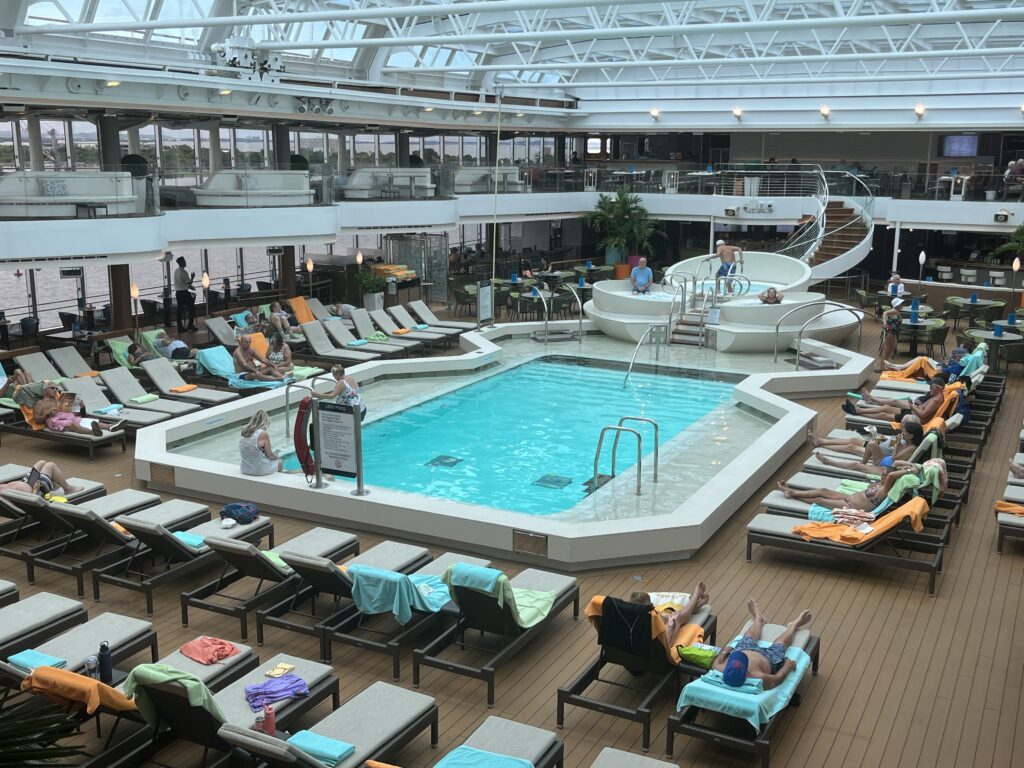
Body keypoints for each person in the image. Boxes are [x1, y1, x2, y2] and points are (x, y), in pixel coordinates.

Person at [712, 600, 812, 690]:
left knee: (749, 635)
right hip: (770, 659)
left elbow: (716, 662)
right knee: (780, 643)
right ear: (747, 674)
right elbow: (777, 678)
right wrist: (788, 666)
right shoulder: (758, 676)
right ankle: (793, 626)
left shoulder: (722, 669)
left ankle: (759, 619)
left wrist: (725, 651)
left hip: (743, 649)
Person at [812, 419, 925, 475]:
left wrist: (897, 444)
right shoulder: (908, 442)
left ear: (911, 435)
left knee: (854, 452)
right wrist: (891, 441)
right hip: (885, 455)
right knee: (857, 445)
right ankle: (821, 442)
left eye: (904, 431)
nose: (902, 432)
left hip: (886, 462)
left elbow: (895, 458)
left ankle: (828, 460)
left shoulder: (909, 446)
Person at [32, 383, 124, 435]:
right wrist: (48, 415)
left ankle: (110, 426)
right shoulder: (40, 403)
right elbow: (36, 419)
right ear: (44, 391)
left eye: (56, 388)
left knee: (85, 421)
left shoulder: (60, 400)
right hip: (54, 421)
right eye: (52, 388)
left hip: (70, 417)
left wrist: (81, 407)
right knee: (71, 423)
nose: (55, 390)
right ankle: (93, 432)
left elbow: (77, 414)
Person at [628, 582, 709, 641]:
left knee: (673, 614)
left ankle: (693, 607)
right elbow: (665, 642)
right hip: (663, 639)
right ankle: (695, 598)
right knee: (678, 617)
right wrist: (671, 626)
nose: (652, 605)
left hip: (662, 621)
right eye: (650, 605)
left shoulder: (631, 618)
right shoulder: (644, 623)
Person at [845, 377, 947, 423]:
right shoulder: (936, 396)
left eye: (932, 387)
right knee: (887, 407)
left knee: (883, 415)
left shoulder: (935, 401)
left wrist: (912, 406)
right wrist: (913, 406)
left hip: (913, 418)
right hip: (912, 412)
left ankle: (858, 413)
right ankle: (859, 410)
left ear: (938, 388)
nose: (929, 389)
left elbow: (923, 415)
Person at [0, 459, 82, 496]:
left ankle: (52, 482)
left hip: (26, 481)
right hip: (37, 489)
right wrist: (35, 490)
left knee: (41, 462)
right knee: (50, 465)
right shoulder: (4, 496)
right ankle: (68, 489)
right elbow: (32, 502)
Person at [239, 410, 281, 476]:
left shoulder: (244, 432)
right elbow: (270, 455)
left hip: (244, 469)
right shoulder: (262, 433)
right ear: (265, 422)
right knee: (280, 463)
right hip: (258, 470)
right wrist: (276, 456)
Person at [877, 298, 903, 371]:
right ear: (897, 305)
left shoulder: (896, 311)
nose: (902, 305)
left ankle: (885, 363)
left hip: (893, 332)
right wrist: (885, 323)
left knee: (893, 346)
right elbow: (885, 313)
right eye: (901, 304)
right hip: (890, 332)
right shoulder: (894, 311)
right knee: (888, 348)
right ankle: (883, 365)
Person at [173, 256, 197, 333]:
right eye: (184, 261)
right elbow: (188, 282)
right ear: (181, 263)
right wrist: (192, 278)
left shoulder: (176, 271)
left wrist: (189, 287)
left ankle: (180, 327)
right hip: (184, 293)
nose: (185, 262)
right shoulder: (183, 272)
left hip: (178, 293)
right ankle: (190, 325)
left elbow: (182, 283)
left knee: (179, 310)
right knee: (192, 308)